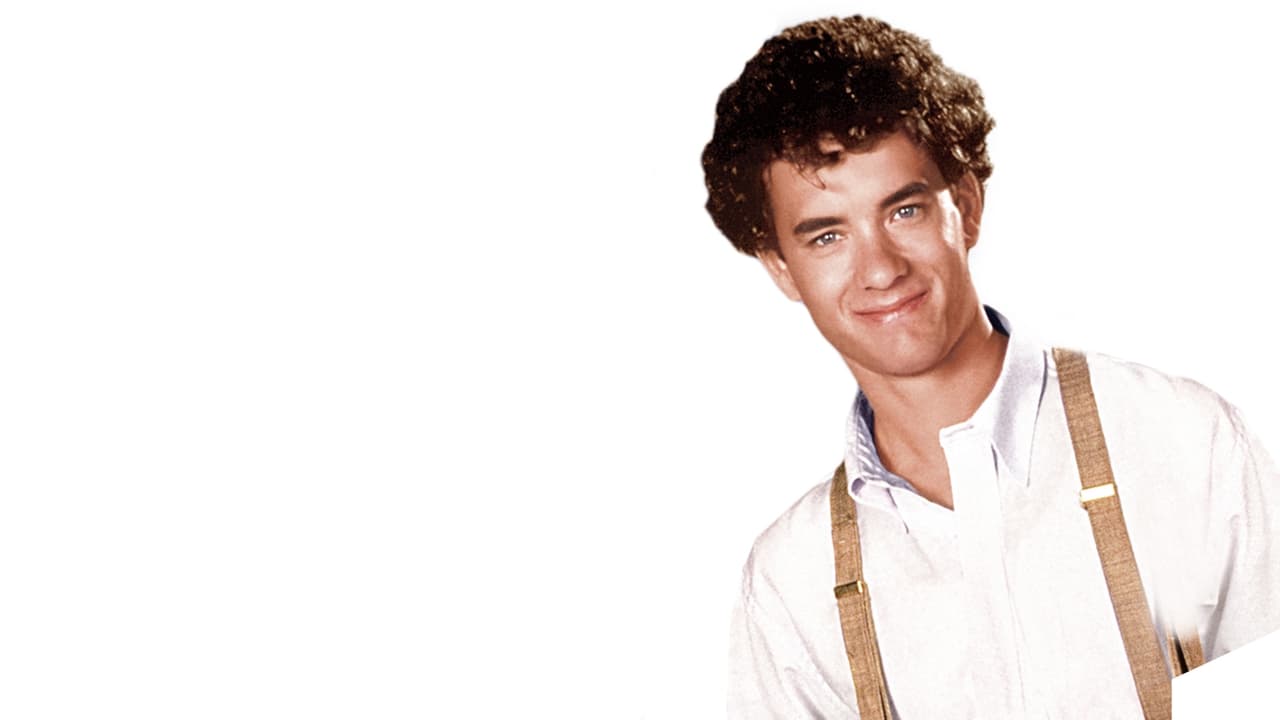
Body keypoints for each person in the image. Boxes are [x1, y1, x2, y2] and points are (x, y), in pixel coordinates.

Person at [701, 15, 1280, 719]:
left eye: (904, 210)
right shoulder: (792, 583)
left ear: (966, 208)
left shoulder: (1179, 442)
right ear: (781, 269)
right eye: (827, 236)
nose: (879, 269)